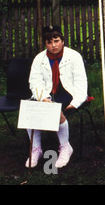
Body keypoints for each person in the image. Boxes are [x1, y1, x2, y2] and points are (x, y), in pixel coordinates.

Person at [26, 25, 88, 168]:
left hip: (68, 93)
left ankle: (65, 147)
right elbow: (34, 82)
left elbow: (81, 83)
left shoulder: (74, 56)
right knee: (30, 111)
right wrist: (42, 98)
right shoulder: (39, 58)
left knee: (56, 111)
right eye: (49, 42)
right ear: (45, 43)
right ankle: (36, 149)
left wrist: (76, 102)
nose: (53, 45)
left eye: (56, 41)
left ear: (62, 41)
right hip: (47, 93)